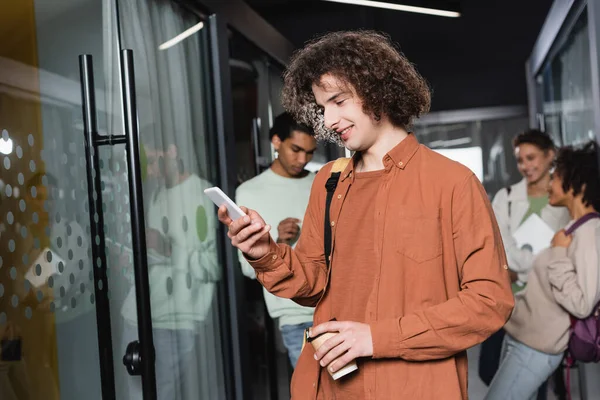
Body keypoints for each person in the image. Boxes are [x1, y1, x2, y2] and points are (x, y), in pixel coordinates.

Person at [217, 30, 514, 399]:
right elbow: (313, 283)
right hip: (330, 385)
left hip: (414, 389)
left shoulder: (452, 182)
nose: (329, 119)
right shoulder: (328, 181)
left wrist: (376, 338)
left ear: (376, 89)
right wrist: (265, 253)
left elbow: (489, 303)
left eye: (339, 101)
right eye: (323, 107)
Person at [485, 141, 600, 400]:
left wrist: (558, 253)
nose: (549, 184)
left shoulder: (590, 232)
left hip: (536, 348)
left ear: (576, 184)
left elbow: (582, 304)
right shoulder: (573, 228)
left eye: (556, 177)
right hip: (520, 336)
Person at [120, 140, 225, 399]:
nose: (150, 171)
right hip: (136, 314)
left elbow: (215, 268)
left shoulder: (205, 195)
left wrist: (170, 250)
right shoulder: (154, 195)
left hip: (177, 320)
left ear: (172, 150)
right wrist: (132, 260)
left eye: (153, 162)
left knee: (162, 394)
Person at [479, 130, 570, 387]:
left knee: (535, 381)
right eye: (520, 160)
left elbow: (564, 256)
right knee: (489, 370)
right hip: (507, 299)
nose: (525, 166)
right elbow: (502, 247)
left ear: (550, 155)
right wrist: (538, 262)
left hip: (545, 304)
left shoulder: (564, 200)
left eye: (532, 158)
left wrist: (520, 270)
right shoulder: (506, 197)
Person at [236, 112, 318, 368]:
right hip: (294, 315)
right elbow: (247, 268)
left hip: (340, 306)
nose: (302, 159)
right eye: (296, 149)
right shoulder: (249, 192)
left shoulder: (322, 184)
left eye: (309, 152)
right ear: (276, 141)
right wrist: (277, 241)